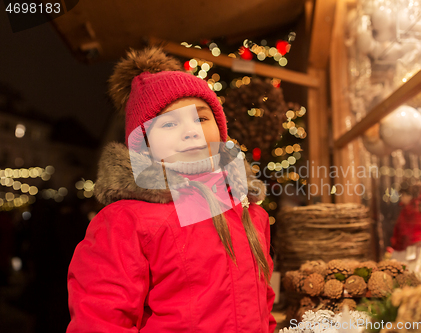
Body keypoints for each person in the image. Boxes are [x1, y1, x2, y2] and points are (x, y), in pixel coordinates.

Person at [67, 46, 276, 332]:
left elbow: (263, 303)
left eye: (201, 118)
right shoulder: (126, 222)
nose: (191, 130)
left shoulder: (249, 212)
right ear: (144, 144)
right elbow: (100, 319)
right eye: (168, 123)